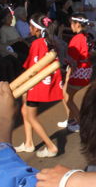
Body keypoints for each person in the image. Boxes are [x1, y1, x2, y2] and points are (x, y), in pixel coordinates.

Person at [14, 14, 63, 158]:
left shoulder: (37, 43)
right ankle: (29, 143)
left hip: (36, 83)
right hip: (42, 82)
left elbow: (31, 67)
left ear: (36, 29)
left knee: (31, 117)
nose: (29, 28)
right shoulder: (51, 41)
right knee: (25, 110)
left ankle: (51, 146)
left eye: (31, 26)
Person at [60, 14, 92, 133]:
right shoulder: (86, 36)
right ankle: (71, 119)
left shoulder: (77, 39)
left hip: (79, 70)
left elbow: (72, 59)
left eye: (72, 23)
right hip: (85, 68)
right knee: (66, 94)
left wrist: (68, 74)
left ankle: (79, 121)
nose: (71, 26)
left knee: (67, 97)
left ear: (77, 24)